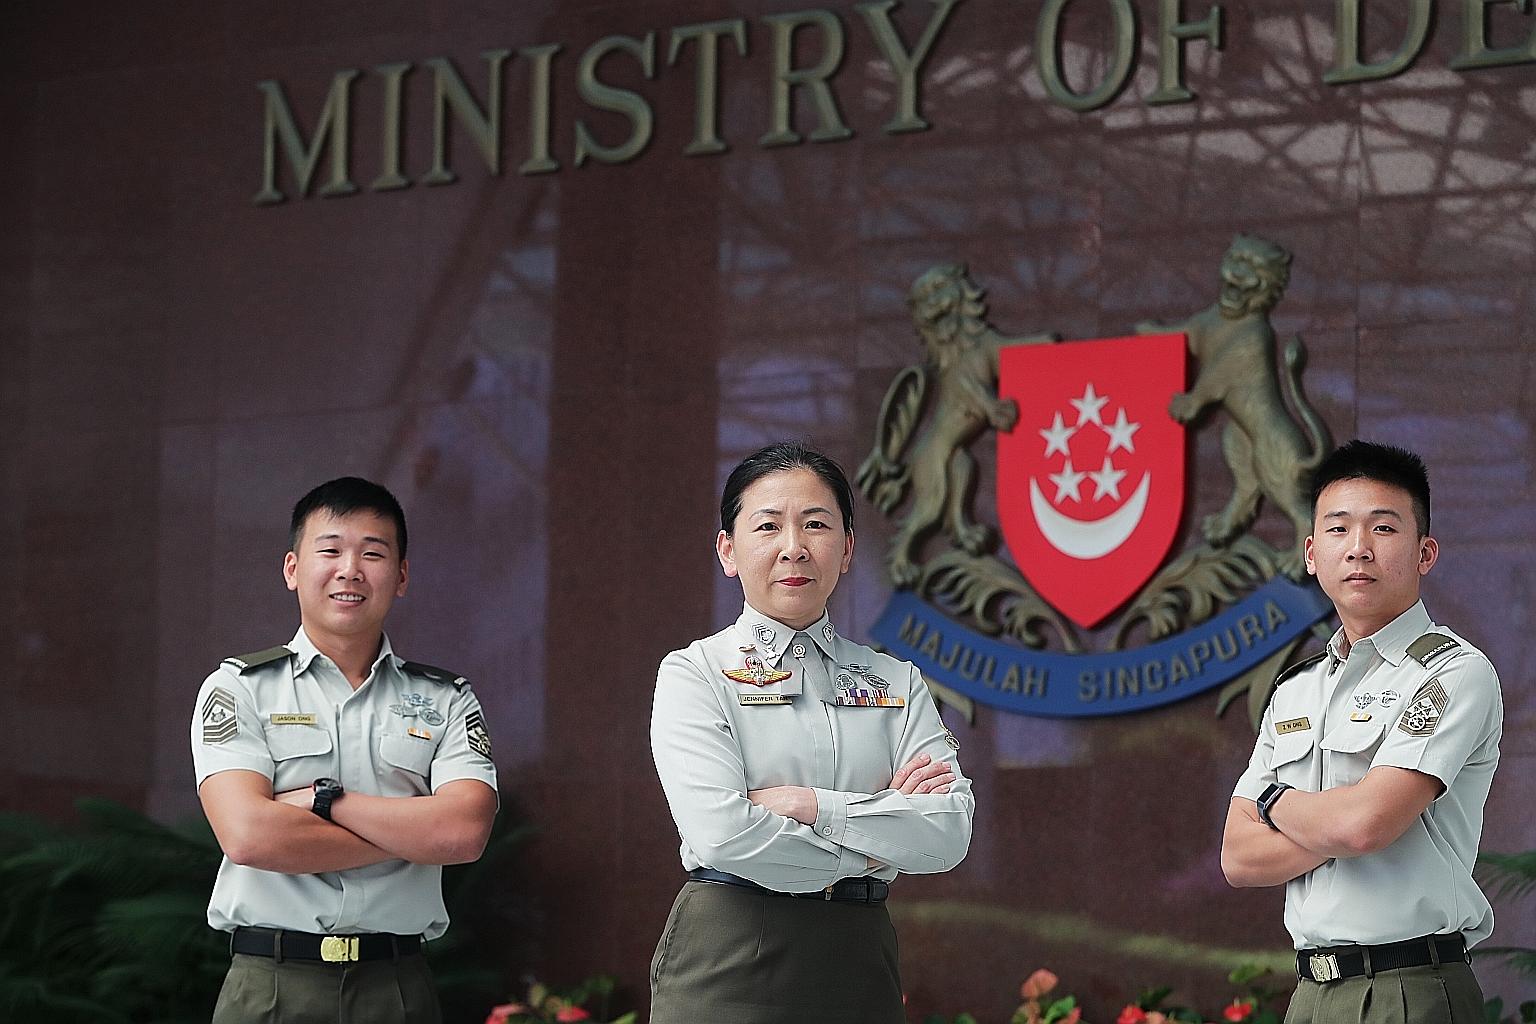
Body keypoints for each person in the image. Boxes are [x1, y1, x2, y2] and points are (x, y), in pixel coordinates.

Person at [649, 442, 975, 1024]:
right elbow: (722, 834)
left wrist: (809, 806)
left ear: (847, 549)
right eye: (768, 526)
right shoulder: (695, 673)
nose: (793, 548)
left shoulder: (895, 680)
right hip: (731, 953)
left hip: (860, 957)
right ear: (728, 550)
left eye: (817, 525)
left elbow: (948, 836)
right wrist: (879, 839)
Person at [191, 477, 498, 1024]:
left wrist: (322, 801)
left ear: (401, 576)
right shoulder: (239, 689)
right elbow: (248, 835)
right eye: (330, 550)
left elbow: (464, 833)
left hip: (397, 989)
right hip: (271, 986)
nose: (350, 569)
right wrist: (413, 837)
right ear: (292, 569)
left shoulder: (446, 698)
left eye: (373, 553)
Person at [1221, 441, 1503, 1024]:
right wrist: (1338, 823)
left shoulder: (1453, 673)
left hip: (1412, 989)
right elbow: (1238, 857)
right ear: (1310, 553)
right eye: (1338, 528)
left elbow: (1364, 825)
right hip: (1310, 994)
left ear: (1425, 552)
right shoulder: (1296, 689)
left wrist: (1274, 800)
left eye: (1383, 528)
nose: (1358, 549)